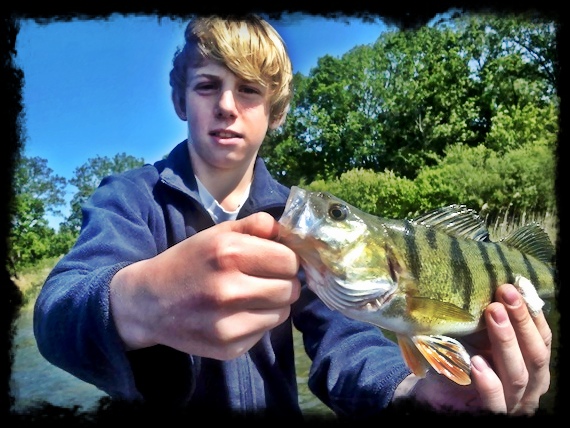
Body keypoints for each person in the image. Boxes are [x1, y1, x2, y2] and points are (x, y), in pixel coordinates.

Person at [33, 15, 552, 420]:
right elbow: (56, 312)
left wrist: (408, 393)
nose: (227, 106)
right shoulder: (130, 198)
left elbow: (345, 340)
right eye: (207, 85)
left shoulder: (299, 222)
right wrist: (138, 302)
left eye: (249, 90)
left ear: (276, 112)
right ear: (180, 100)